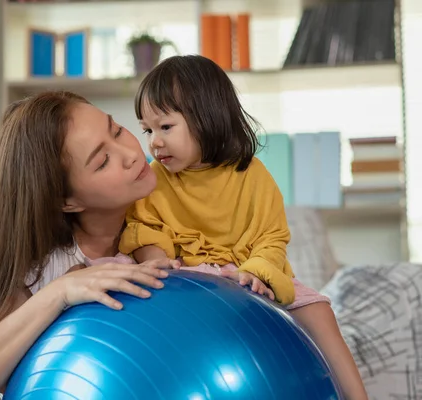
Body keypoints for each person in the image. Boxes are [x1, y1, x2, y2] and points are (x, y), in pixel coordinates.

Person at [118, 54, 367, 400]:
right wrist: (157, 260)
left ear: (206, 117)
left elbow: (271, 236)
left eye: (165, 127)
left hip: (249, 274)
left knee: (320, 311)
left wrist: (256, 273)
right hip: (184, 278)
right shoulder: (155, 179)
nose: (154, 142)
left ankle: (358, 396)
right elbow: (144, 228)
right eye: (147, 130)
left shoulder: (251, 174)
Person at [0, 91, 179, 400]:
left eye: (117, 129)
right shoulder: (42, 268)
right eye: (103, 161)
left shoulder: (176, 220)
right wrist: (60, 292)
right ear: (66, 201)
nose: (131, 153)